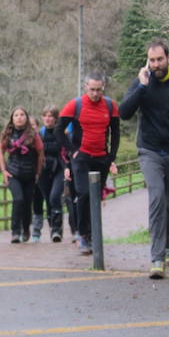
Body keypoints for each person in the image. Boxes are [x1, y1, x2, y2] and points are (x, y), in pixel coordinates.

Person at [118, 39, 169, 279]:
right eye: (152, 60)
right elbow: (124, 113)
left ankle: (167, 245)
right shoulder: (142, 82)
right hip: (150, 150)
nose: (156, 64)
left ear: (168, 58)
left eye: (160, 59)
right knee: (156, 197)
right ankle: (157, 258)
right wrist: (142, 87)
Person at [57, 73, 120, 255]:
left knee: (95, 197)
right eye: (92, 89)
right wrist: (72, 151)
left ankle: (92, 233)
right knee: (84, 194)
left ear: (103, 88)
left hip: (101, 158)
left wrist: (111, 156)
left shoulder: (110, 105)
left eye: (98, 90)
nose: (95, 93)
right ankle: (83, 234)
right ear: (85, 87)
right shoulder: (75, 105)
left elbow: (115, 132)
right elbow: (59, 130)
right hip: (81, 157)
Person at [0, 106, 44, 243]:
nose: (19, 117)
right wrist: (3, 171)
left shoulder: (33, 134)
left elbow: (41, 153)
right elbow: (0, 152)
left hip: (29, 174)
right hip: (13, 173)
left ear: (26, 117)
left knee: (27, 202)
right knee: (18, 200)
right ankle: (15, 232)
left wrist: (38, 172)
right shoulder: (7, 134)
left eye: (22, 115)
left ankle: (26, 228)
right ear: (12, 118)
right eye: (16, 115)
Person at [38, 106, 67, 242]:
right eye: (45, 116)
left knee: (55, 197)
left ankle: (57, 230)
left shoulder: (61, 133)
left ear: (56, 118)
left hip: (59, 168)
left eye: (50, 116)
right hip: (43, 170)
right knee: (48, 200)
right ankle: (52, 228)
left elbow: (67, 151)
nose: (48, 119)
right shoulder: (39, 134)